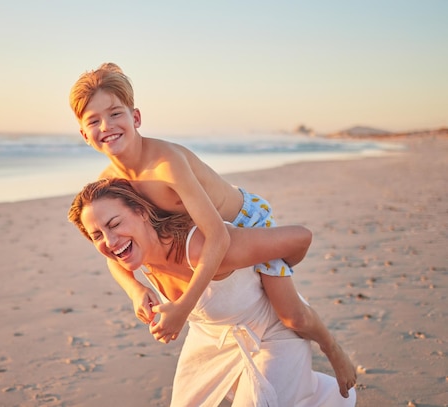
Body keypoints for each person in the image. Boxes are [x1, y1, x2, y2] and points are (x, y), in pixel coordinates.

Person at [69, 62, 356, 397]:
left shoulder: (166, 164)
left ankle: (333, 350)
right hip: (209, 237)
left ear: (136, 118)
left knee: (292, 316)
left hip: (245, 222)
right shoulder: (110, 183)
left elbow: (219, 237)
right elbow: (111, 246)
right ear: (84, 134)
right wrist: (134, 289)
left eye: (115, 113)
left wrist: (182, 309)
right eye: (94, 120)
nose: (107, 126)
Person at [68, 178, 356, 406]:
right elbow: (112, 259)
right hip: (211, 335)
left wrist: (271, 267)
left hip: (274, 333)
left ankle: (318, 383)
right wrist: (135, 289)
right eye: (97, 235)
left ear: (142, 212)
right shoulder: (131, 250)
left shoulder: (204, 247)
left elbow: (300, 237)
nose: (110, 241)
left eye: (114, 224)